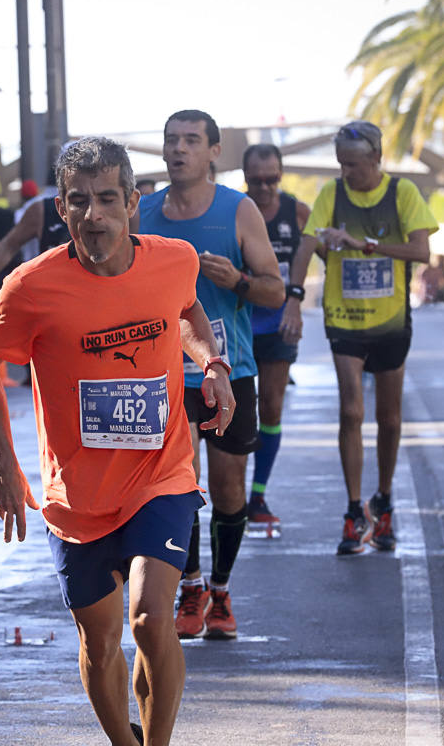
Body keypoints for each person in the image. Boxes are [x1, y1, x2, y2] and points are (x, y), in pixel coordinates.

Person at [0, 136, 235, 746]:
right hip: (77, 496)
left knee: (147, 619)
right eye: (80, 202)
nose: (96, 215)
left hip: (159, 477)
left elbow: (186, 313)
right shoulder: (31, 287)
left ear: (133, 203)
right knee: (98, 639)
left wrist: (212, 365)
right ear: (62, 209)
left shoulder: (174, 260)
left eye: (108, 199)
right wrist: (5, 467)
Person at [139, 111, 284, 641]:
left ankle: (221, 589)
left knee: (226, 487)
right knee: (178, 485)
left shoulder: (238, 210)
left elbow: (275, 290)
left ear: (213, 152)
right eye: (171, 140)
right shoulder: (144, 211)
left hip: (228, 370)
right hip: (162, 372)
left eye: (191, 141)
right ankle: (191, 586)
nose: (179, 149)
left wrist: (238, 279)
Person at [281, 120, 438, 555]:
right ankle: (354, 511)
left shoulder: (401, 193)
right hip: (345, 319)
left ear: (375, 158)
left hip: (389, 322)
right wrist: (294, 298)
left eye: (353, 164)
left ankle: (383, 500)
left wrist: (365, 244)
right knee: (351, 411)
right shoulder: (331, 195)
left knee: (388, 419)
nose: (346, 172)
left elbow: (421, 252)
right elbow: (306, 246)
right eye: (340, 164)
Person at [242, 143, 311, 535]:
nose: (265, 187)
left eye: (272, 179)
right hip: (237, 326)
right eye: (257, 180)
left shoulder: (296, 212)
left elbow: (315, 256)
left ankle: (259, 494)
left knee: (271, 406)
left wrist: (295, 304)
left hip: (278, 324)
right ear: (245, 177)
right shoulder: (234, 209)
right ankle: (228, 490)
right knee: (233, 411)